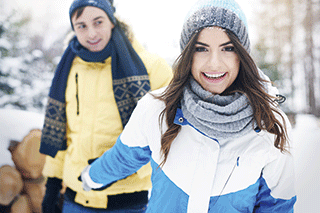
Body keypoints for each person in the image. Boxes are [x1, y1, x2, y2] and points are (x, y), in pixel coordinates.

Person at [80, 0, 297, 212]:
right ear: (187, 55)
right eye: (201, 49)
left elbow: (277, 205)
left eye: (228, 48)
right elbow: (125, 155)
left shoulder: (271, 126)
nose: (214, 62)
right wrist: (91, 177)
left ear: (243, 54)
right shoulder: (157, 109)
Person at [39, 0, 173, 212]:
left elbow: (164, 137)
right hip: (75, 200)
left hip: (127, 202)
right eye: (81, 26)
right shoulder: (69, 67)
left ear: (112, 20)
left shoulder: (151, 68)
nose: (91, 33)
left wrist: (114, 171)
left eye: (98, 22)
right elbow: (61, 131)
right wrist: (52, 184)